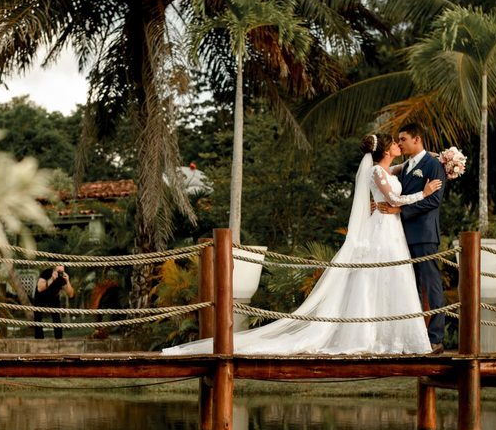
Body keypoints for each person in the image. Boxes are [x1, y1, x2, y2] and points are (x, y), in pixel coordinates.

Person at [162, 134, 441, 355]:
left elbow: (405, 167)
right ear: (384, 150)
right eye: (394, 143)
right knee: (377, 278)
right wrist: (424, 193)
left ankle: (390, 336)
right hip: (382, 227)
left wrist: (443, 159)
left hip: (390, 229)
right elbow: (395, 200)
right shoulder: (378, 174)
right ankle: (370, 335)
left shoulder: (386, 169)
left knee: (392, 278)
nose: (398, 146)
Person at [376, 122, 446, 353]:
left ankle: (436, 337)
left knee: (431, 284)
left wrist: (401, 211)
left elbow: (433, 200)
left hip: (424, 233)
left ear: (417, 139)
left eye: (403, 139)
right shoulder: (406, 167)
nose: (399, 143)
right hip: (401, 234)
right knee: (408, 287)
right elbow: (393, 188)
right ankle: (412, 337)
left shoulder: (433, 164)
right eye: (397, 140)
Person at [32, 264, 75, 339]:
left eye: (62, 271)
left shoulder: (62, 277)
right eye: (59, 271)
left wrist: (67, 281)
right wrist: (52, 278)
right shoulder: (47, 273)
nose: (60, 273)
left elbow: (71, 294)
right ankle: (39, 340)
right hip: (41, 296)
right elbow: (39, 288)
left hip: (53, 296)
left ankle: (59, 340)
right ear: (54, 270)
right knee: (38, 318)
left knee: (57, 318)